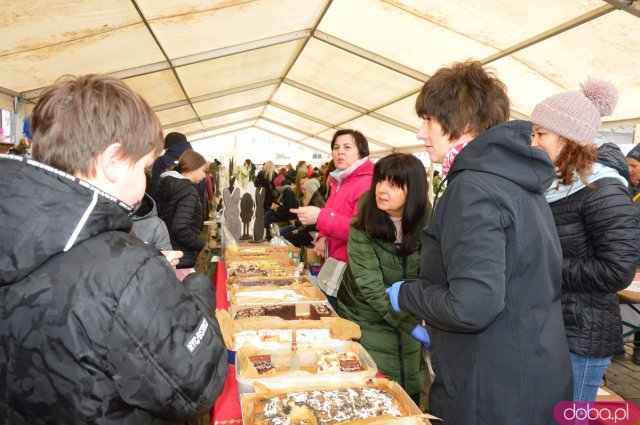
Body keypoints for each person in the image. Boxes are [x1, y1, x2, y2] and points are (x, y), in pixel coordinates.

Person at [0, 74, 227, 424]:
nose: (146, 180)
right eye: (144, 167)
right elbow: (198, 381)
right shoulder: (127, 269)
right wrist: (196, 288)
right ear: (113, 161)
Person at [385, 61, 571, 425]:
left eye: (429, 120)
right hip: (532, 371)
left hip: (491, 392)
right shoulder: (515, 181)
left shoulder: (473, 189)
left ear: (464, 125)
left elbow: (472, 306)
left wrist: (407, 294)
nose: (422, 132)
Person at [530, 78, 640, 401]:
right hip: (554, 328)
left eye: (540, 134)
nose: (533, 142)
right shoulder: (556, 184)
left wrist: (546, 265)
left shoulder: (603, 190)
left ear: (568, 139)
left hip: (582, 335)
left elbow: (616, 270)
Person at [338, 153, 429, 406]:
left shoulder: (426, 220)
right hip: (365, 314)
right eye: (380, 181)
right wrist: (412, 327)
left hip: (408, 310)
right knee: (376, 389)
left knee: (408, 388)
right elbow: (371, 288)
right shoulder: (363, 222)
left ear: (415, 190)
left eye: (393, 184)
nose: (382, 190)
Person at [292, 129, 374, 311]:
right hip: (335, 261)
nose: (340, 152)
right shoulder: (338, 179)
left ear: (361, 151)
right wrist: (322, 235)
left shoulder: (367, 182)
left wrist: (321, 218)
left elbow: (360, 230)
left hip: (354, 268)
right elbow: (331, 210)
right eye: (336, 147)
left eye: (347, 147)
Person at [157, 150, 209, 271]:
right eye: (202, 171)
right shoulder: (188, 191)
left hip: (171, 249)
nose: (204, 176)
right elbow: (180, 227)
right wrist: (199, 243)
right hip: (182, 254)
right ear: (192, 168)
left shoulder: (173, 186)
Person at [625, 144, 640, 364]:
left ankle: (638, 348)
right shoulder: (626, 187)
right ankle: (618, 342)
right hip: (628, 256)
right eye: (628, 165)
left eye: (635, 165)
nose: (630, 169)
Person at [149, 131, 193, 204]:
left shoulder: (162, 161)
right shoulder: (195, 160)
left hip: (168, 209)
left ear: (168, 146)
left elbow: (156, 189)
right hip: (192, 207)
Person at [283, 177, 327, 247]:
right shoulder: (315, 198)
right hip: (309, 230)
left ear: (310, 190)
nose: (303, 191)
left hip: (314, 233)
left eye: (305, 189)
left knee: (287, 237)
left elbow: (313, 225)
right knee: (287, 233)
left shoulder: (316, 201)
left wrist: (299, 230)